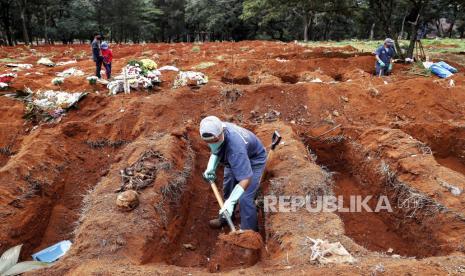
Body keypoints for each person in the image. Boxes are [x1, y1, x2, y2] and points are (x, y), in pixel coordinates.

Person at [200, 116, 267, 232]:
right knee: (228, 186)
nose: (211, 144)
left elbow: (246, 179)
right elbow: (217, 149)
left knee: (245, 197)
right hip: (234, 157)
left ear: (221, 134)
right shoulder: (216, 128)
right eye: (207, 142)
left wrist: (231, 202)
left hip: (254, 161)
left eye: (214, 141)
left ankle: (248, 232)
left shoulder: (236, 149)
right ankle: (226, 216)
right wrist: (211, 167)